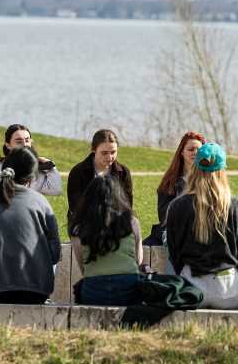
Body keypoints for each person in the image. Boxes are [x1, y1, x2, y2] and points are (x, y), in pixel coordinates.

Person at [0, 146, 62, 304]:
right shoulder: (40, 202)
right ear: (32, 176)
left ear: (4, 165)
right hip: (37, 290)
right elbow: (54, 253)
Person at [165, 143, 238, 310]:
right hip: (228, 291)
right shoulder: (234, 204)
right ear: (222, 170)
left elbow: (174, 253)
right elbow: (237, 251)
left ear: (195, 168)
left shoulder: (177, 205)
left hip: (192, 288)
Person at [70, 175, 143, 306]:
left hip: (93, 288)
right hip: (129, 286)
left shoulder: (78, 229)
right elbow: (138, 259)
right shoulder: (132, 222)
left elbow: (83, 268)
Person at [144, 132, 205, 246]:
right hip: (174, 229)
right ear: (181, 152)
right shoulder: (171, 180)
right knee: (176, 240)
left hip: (203, 227)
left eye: (199, 150)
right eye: (191, 149)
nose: (195, 153)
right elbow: (164, 216)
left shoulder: (209, 178)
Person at [66, 129, 134, 231]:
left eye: (113, 152)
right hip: (82, 222)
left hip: (115, 222)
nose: (109, 157)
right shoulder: (78, 171)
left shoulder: (123, 172)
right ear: (94, 149)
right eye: (104, 153)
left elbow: (127, 204)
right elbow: (75, 206)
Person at [0, 125, 61, 196]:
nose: (25, 145)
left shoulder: (35, 168)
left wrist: (51, 166)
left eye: (27, 140)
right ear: (8, 145)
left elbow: (55, 190)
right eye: (19, 142)